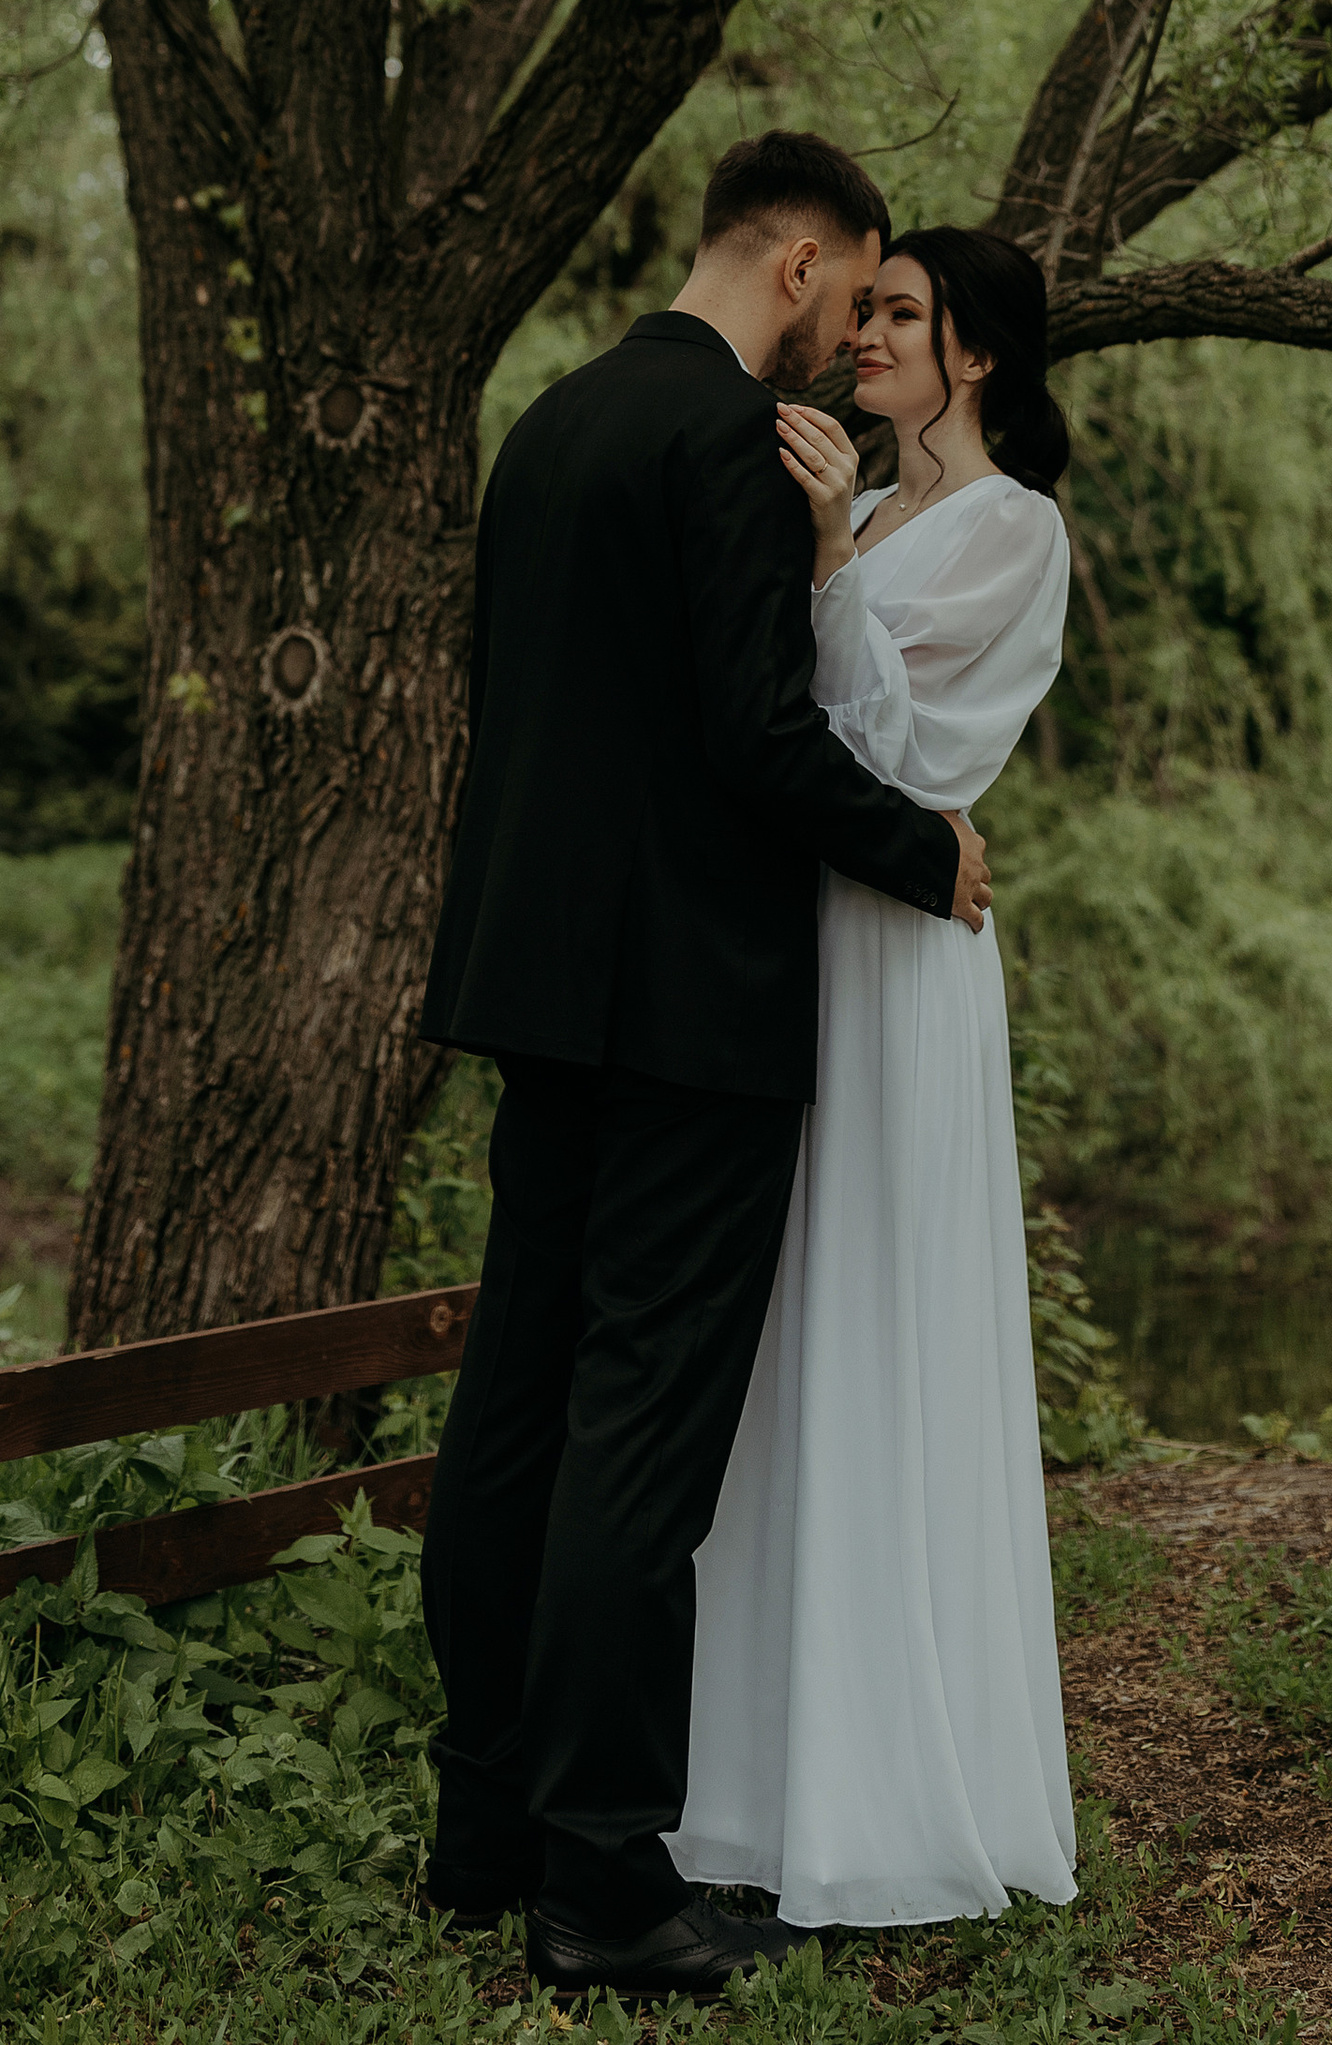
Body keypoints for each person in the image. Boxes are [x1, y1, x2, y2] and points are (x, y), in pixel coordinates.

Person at [413, 131, 995, 2001]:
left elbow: (545, 719)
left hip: (540, 987)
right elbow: (755, 739)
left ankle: (483, 1823)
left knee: (514, 1409)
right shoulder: (730, 448)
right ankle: (600, 1875)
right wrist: (927, 847)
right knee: (637, 1444)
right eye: (858, 290)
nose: (848, 339)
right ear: (806, 262)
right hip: (691, 1015)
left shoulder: (551, 426)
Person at [672, 223, 1079, 1928]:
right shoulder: (875, 513)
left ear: (975, 351)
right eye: (870, 310)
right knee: (781, 1327)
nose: (871, 338)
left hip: (906, 948)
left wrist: (831, 538)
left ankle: (903, 1784)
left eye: (905, 316)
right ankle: (757, 1780)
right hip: (802, 941)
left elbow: (913, 754)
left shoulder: (1012, 531)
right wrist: (834, 534)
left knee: (882, 1314)